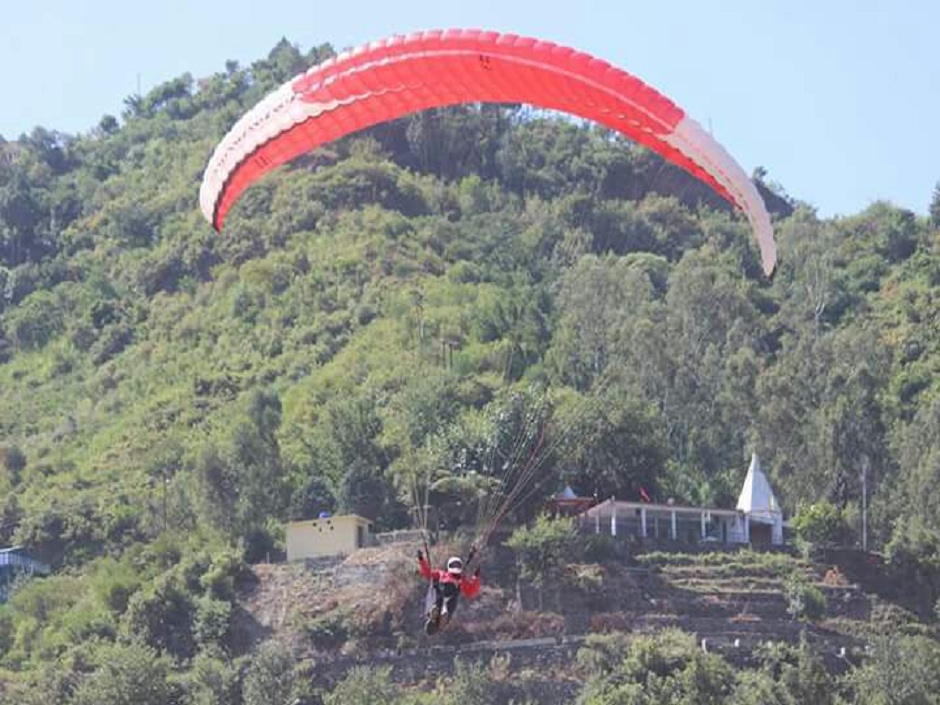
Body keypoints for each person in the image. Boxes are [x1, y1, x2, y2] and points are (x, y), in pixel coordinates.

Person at [417, 548, 480, 634]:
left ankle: (439, 613)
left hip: (446, 594)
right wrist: (421, 559)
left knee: (446, 602)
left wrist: (475, 577)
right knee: (446, 602)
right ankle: (440, 614)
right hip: (445, 593)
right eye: (454, 565)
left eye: (457, 565)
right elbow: (470, 592)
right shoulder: (449, 576)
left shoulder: (456, 578)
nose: (456, 567)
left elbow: (470, 591)